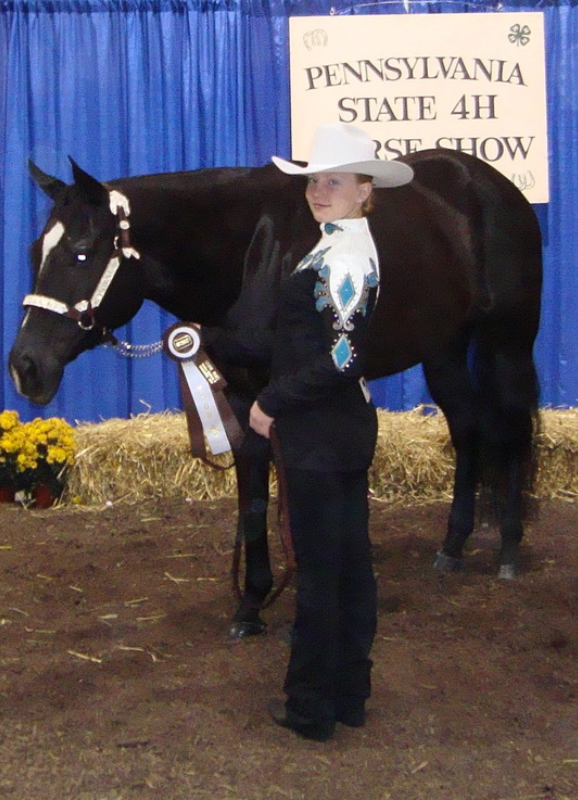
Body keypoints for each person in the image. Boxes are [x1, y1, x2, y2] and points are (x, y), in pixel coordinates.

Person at [203, 123, 414, 741]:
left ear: (363, 191)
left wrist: (271, 402)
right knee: (347, 566)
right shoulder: (337, 246)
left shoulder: (343, 256)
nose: (319, 191)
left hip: (322, 434)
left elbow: (344, 358)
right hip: (336, 429)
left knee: (325, 572)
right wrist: (212, 339)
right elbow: (302, 342)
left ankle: (310, 708)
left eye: (335, 182)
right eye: (314, 181)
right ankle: (348, 693)